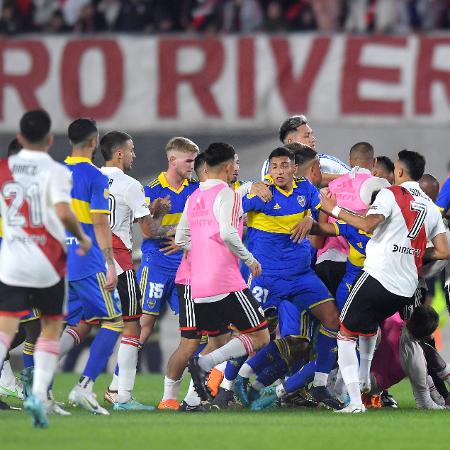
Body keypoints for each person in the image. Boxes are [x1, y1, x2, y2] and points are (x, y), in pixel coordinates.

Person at [320, 149, 449, 413]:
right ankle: (365, 377)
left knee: (345, 335)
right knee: (366, 328)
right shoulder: (430, 207)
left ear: (399, 172)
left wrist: (334, 209)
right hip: (405, 288)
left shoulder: (391, 193)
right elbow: (445, 250)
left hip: (379, 276)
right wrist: (418, 252)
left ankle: (355, 402)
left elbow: (368, 225)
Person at [0, 109, 91, 427]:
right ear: (50, 140)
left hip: (10, 262)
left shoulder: (3, 170)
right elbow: (65, 212)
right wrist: (81, 237)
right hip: (46, 262)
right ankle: (38, 394)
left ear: (20, 137)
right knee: (51, 328)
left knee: (5, 330)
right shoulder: (56, 171)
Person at [243, 146, 342, 409]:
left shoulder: (305, 190)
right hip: (267, 278)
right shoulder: (259, 194)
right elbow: (226, 205)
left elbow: (327, 209)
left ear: (294, 168)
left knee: (330, 321)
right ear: (268, 170)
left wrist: (312, 219)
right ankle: (228, 385)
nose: (279, 172)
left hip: (301, 276)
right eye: (274, 167)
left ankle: (319, 386)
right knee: (251, 334)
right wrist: (248, 186)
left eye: (284, 166)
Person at [176, 142, 270, 402]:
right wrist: (250, 260)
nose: (237, 168)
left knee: (220, 341)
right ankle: (204, 365)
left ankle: (191, 402)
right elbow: (228, 233)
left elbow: (181, 238)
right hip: (226, 281)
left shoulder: (193, 196)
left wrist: (203, 248)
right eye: (236, 164)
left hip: (199, 285)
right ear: (228, 167)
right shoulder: (227, 193)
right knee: (261, 336)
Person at [99, 131, 170, 411]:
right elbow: (149, 231)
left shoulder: (91, 178)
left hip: (91, 261)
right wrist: (172, 228)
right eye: (131, 150)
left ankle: (41, 389)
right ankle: (123, 396)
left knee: (77, 324)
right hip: (119, 262)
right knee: (133, 325)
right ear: (119, 154)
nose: (134, 155)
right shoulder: (130, 185)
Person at [63, 118, 123, 415]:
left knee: (63, 326)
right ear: (93, 142)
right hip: (86, 261)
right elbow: (100, 222)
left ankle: (40, 388)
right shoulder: (95, 176)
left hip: (58, 261)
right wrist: (109, 262)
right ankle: (84, 386)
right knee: (114, 321)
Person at [138, 137, 199, 350]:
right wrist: (160, 217)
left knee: (196, 327)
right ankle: (120, 380)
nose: (193, 166)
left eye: (194, 161)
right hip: (157, 264)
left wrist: (183, 239)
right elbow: (147, 233)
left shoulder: (197, 189)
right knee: (144, 323)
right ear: (172, 160)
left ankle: (194, 382)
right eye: (188, 161)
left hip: (186, 266)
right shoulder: (150, 191)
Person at [261, 115, 350, 185]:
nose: (313, 139)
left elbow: (356, 178)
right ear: (290, 142)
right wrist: (325, 179)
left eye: (312, 134)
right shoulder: (273, 163)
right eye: (306, 136)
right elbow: (272, 188)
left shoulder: (327, 161)